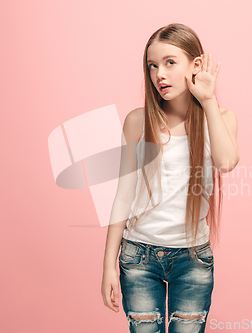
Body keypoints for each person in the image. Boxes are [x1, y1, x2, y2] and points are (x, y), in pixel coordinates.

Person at [101, 23, 239, 333]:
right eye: (152, 66)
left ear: (196, 64)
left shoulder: (220, 118)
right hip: (138, 257)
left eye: (170, 62)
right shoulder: (138, 122)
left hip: (193, 259)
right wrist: (108, 265)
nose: (159, 74)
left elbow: (226, 162)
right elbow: (123, 196)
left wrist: (209, 101)